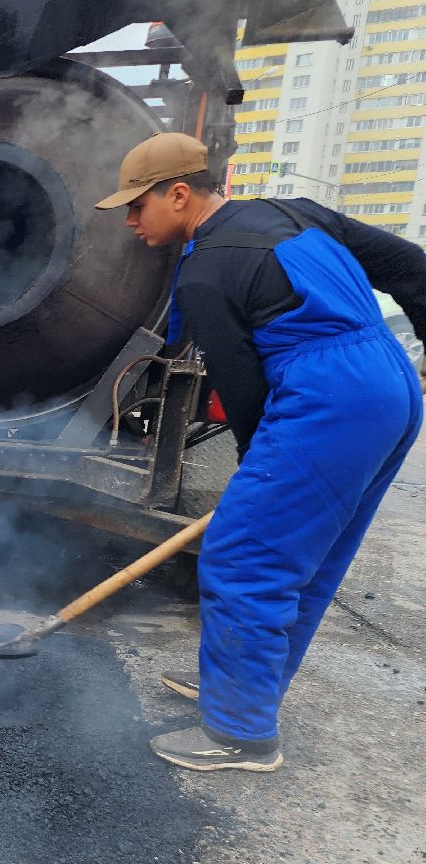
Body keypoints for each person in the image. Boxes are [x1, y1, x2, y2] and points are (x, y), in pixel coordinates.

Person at [95, 132, 425, 772]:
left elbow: (242, 392)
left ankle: (241, 734)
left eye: (138, 206)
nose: (131, 221)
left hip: (326, 397)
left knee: (247, 552)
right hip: (388, 383)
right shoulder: (294, 211)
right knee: (309, 558)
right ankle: (244, 693)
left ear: (180, 194)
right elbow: (408, 263)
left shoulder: (208, 270)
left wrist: (257, 478)